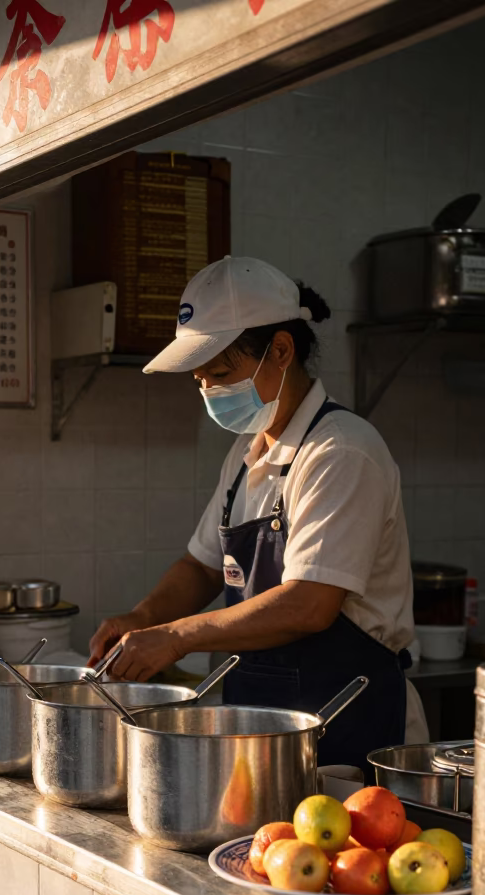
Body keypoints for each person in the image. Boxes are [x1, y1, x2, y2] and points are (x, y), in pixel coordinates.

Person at [89, 256, 427, 773]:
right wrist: (143, 617)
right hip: (265, 729)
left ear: (282, 350)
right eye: (200, 379)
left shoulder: (340, 451)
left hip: (350, 730)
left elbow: (309, 604)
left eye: (221, 374)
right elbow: (201, 566)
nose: (209, 392)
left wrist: (176, 636)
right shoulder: (249, 451)